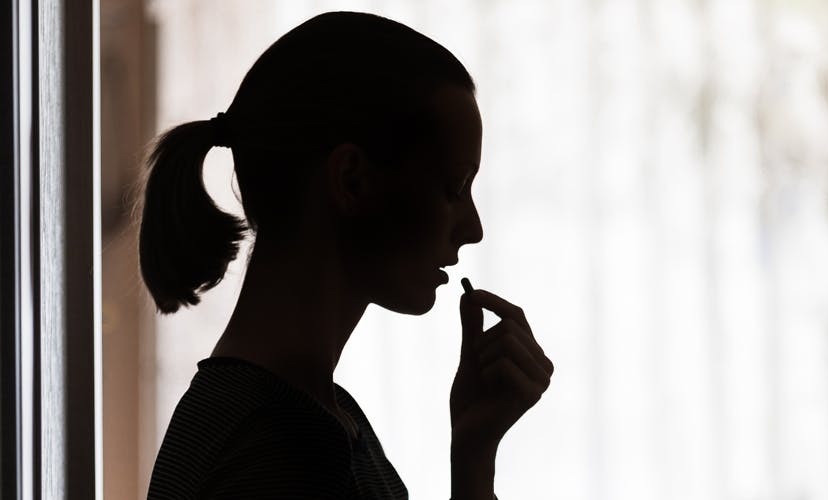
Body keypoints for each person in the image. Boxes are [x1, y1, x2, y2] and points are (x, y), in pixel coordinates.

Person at [139, 11, 553, 499]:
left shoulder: (317, 417)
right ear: (352, 180)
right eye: (455, 186)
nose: (473, 228)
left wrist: (474, 453)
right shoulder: (278, 452)